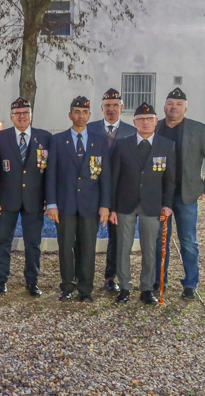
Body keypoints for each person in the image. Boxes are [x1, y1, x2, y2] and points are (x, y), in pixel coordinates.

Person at [45, 96, 111, 302]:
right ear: (70, 115)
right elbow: (51, 175)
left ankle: (85, 289)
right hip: (64, 205)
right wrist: (52, 204)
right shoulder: (57, 140)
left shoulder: (99, 141)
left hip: (90, 206)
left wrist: (105, 205)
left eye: (84, 112)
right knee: (65, 246)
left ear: (90, 115)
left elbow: (105, 176)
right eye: (76, 111)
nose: (80, 116)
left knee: (88, 248)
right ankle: (67, 287)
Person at [109, 103, 175, 305]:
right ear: (134, 122)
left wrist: (167, 204)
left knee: (149, 248)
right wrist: (111, 208)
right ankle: (125, 287)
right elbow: (114, 179)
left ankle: (147, 289)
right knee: (123, 248)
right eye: (141, 119)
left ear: (156, 121)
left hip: (152, 205)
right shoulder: (122, 144)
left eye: (149, 119)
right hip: (125, 204)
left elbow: (170, 179)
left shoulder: (166, 145)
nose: (145, 122)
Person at [0, 97, 51, 296]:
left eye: (26, 113)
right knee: (3, 240)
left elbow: (50, 173)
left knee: (33, 243)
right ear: (11, 117)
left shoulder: (45, 138)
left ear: (31, 115)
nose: (22, 117)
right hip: (6, 199)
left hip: (35, 200)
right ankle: (1, 279)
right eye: (18, 114)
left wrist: (49, 200)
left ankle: (32, 281)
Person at [154, 88, 205, 300]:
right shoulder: (155, 128)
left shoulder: (198, 129)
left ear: (185, 107)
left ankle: (190, 283)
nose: (173, 107)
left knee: (188, 242)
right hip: (158, 194)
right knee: (158, 241)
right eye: (169, 103)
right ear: (164, 106)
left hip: (186, 194)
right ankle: (159, 281)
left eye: (177, 104)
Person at [87, 88, 136, 292]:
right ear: (102, 108)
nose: (111, 109)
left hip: (119, 191)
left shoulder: (131, 132)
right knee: (87, 235)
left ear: (122, 107)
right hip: (91, 189)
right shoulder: (89, 129)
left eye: (115, 105)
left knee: (116, 238)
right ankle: (83, 277)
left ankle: (110, 276)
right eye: (107, 105)